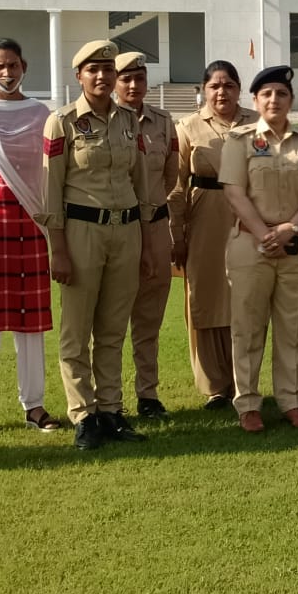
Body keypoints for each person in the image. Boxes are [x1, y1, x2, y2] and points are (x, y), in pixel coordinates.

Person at [38, 39, 155, 450]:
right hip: (80, 231)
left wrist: (145, 241)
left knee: (111, 329)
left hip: (125, 230)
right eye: (93, 70)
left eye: (108, 69)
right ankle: (83, 415)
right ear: (79, 76)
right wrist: (58, 247)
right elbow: (50, 189)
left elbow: (140, 183)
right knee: (76, 331)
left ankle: (110, 410)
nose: (102, 76)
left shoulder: (129, 121)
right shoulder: (63, 122)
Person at [220, 65, 298, 433]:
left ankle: (291, 401)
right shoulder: (240, 140)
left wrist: (289, 229)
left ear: (291, 100)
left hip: (296, 245)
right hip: (250, 245)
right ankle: (248, 404)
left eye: (281, 94)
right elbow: (234, 192)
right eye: (266, 94)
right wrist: (264, 234)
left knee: (292, 327)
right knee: (248, 328)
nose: (274, 100)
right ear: (255, 100)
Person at [170, 60, 259, 409]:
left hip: (248, 218)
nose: (222, 92)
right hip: (205, 216)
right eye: (215, 86)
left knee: (246, 299)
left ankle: (244, 381)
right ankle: (215, 387)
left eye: (229, 85)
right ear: (204, 90)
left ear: (239, 89)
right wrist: (176, 233)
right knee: (205, 298)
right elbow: (176, 186)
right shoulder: (188, 127)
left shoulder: (256, 123)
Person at [0, 38, 59, 436]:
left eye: (13, 65)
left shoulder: (42, 113)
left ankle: (35, 406)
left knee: (31, 324)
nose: (7, 73)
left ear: (24, 66)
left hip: (30, 226)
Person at [115, 51, 178, 419]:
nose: (134, 85)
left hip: (155, 228)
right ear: (115, 81)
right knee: (109, 321)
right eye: (127, 78)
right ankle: (108, 401)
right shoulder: (107, 122)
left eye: (140, 77)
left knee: (149, 319)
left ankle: (148, 396)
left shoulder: (164, 122)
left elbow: (170, 176)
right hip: (116, 230)